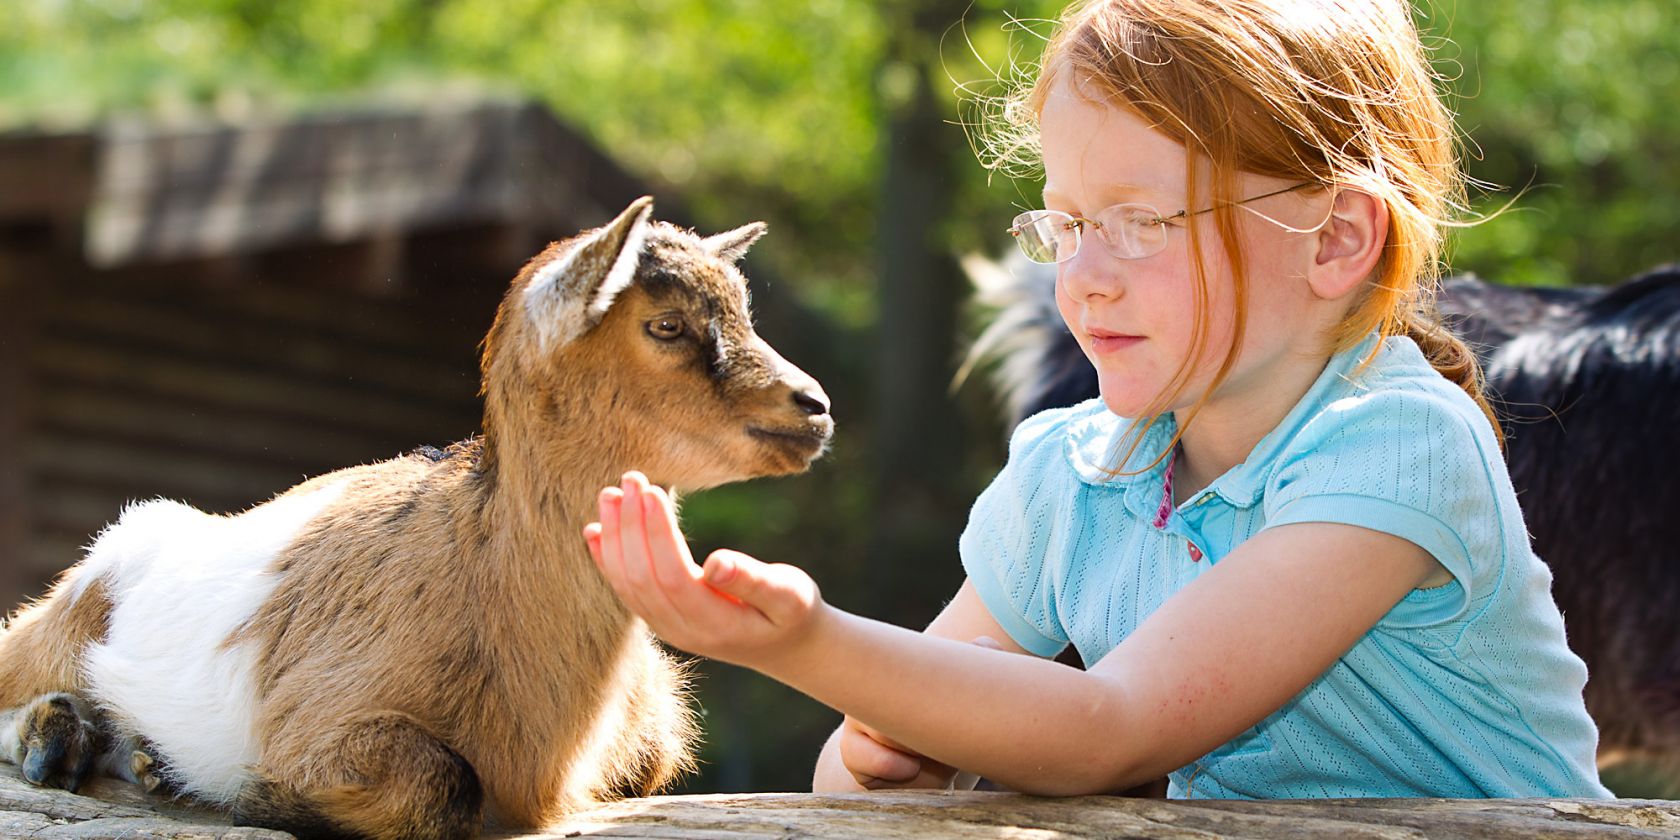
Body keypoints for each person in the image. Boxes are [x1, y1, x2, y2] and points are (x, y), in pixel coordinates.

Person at [583, 0, 1613, 799]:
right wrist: (885, 751)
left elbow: (1107, 726)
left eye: (1140, 222)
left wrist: (806, 644)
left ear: (1337, 239)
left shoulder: (1396, 446)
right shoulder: (1078, 474)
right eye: (1065, 225)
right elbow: (870, 758)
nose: (1083, 279)